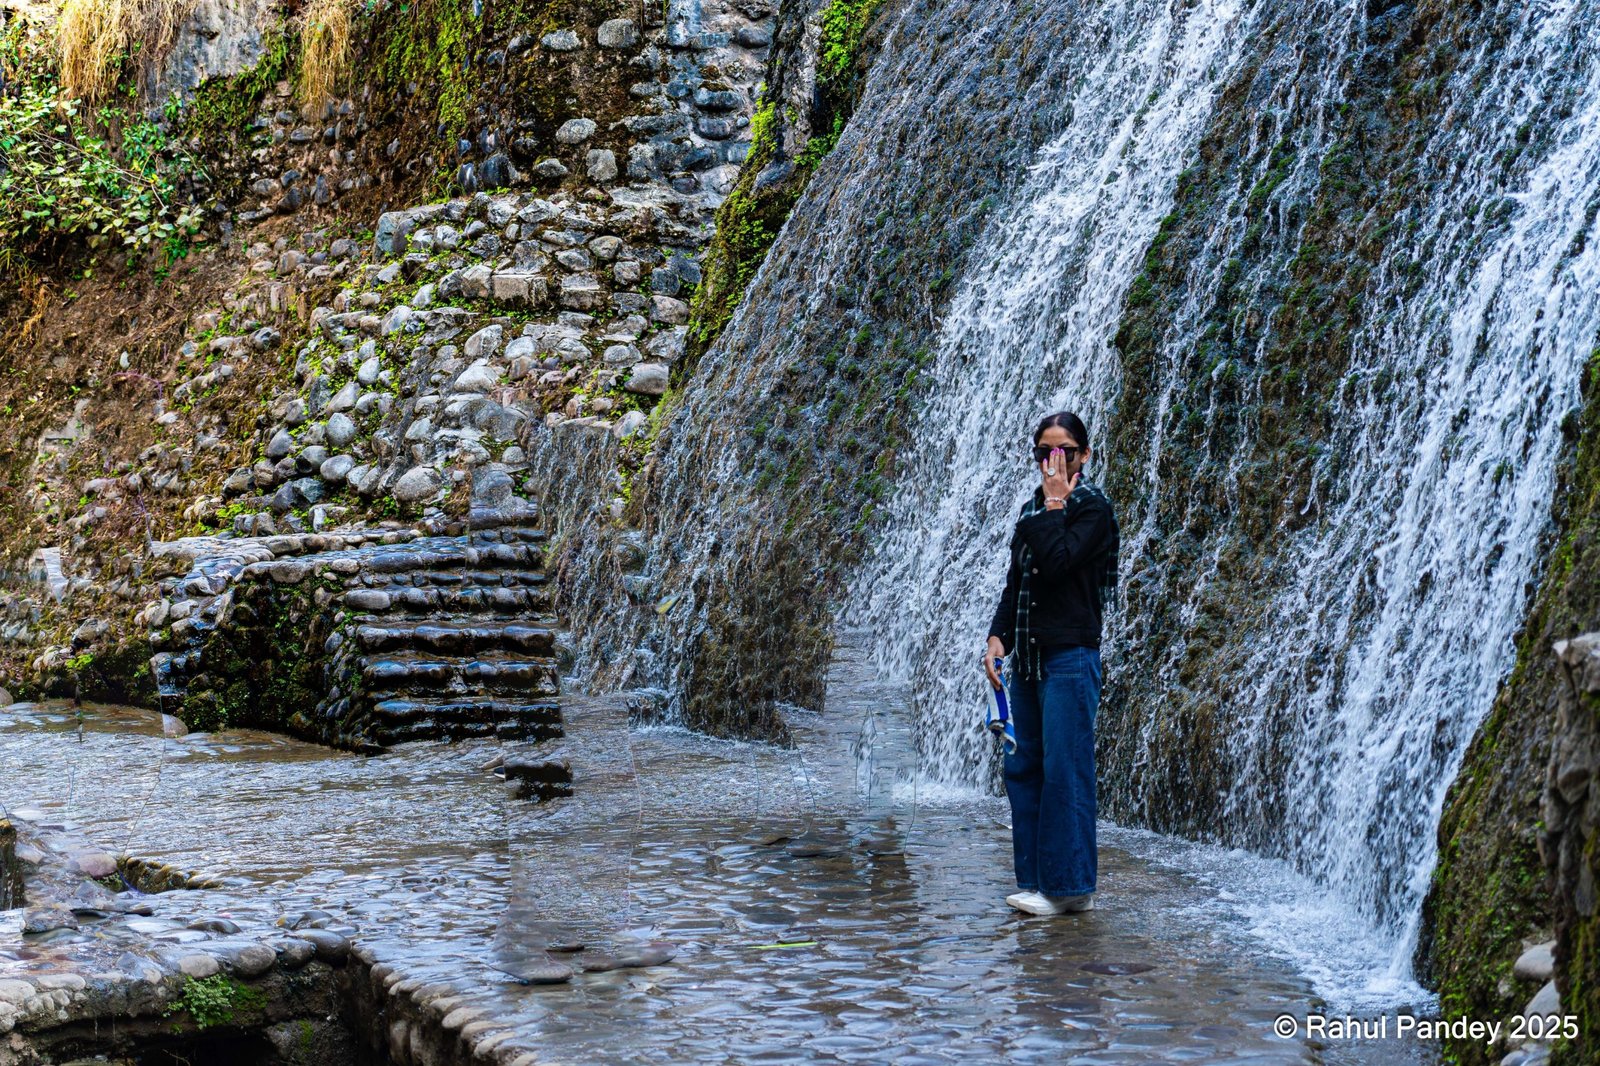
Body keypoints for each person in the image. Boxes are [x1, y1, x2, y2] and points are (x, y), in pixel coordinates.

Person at [982, 411, 1119, 916]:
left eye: (1062, 451)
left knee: (1067, 771)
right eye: (1043, 452)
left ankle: (1071, 889)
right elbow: (1017, 583)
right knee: (1023, 768)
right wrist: (998, 639)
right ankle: (1040, 883)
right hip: (1029, 659)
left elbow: (1060, 563)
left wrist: (1057, 502)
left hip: (1070, 657)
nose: (1051, 461)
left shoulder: (1092, 507)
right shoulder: (1030, 509)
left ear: (1083, 455)